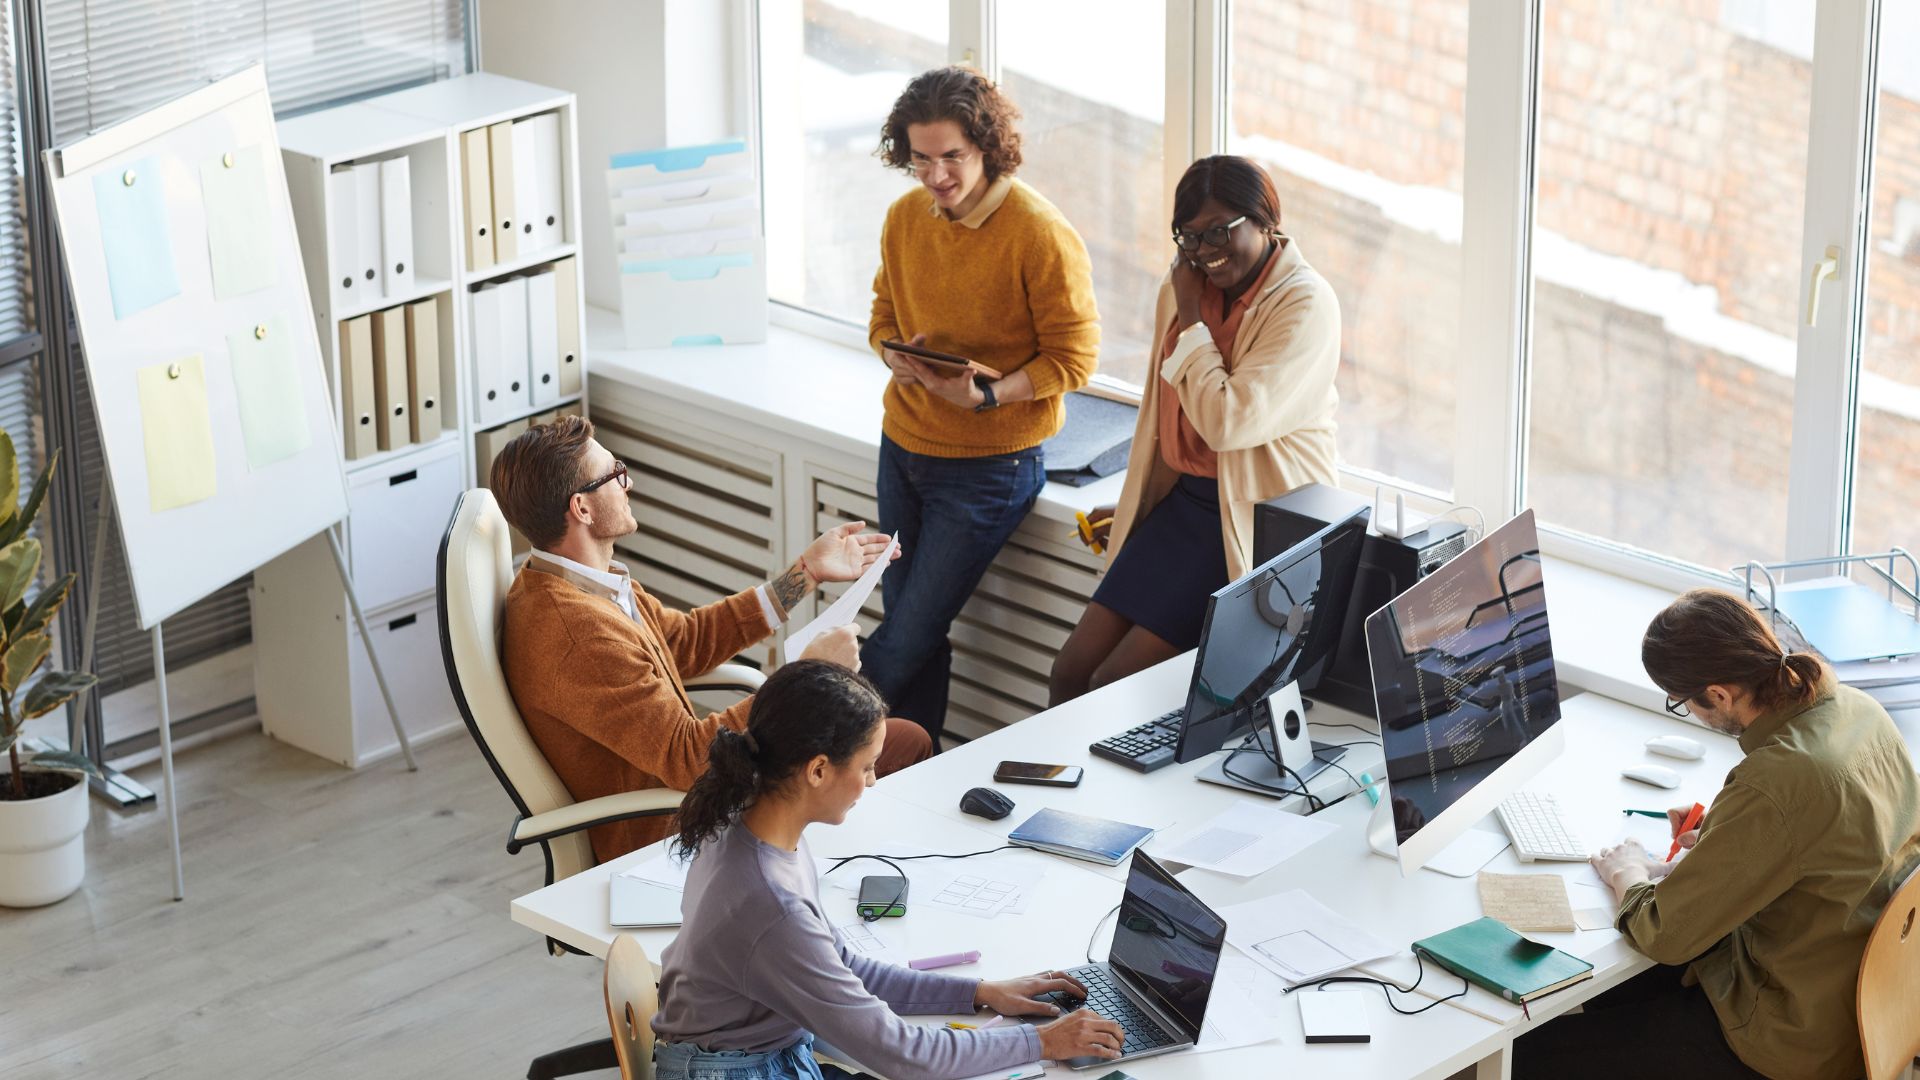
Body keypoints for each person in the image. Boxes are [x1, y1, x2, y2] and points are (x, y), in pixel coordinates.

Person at [1513, 588, 1920, 1080]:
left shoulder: (1778, 782)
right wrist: (1730, 833)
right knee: (1613, 996)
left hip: (1787, 1038)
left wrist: (1630, 872)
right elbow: (1833, 830)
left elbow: (1663, 935)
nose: (1692, 713)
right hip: (1854, 1002)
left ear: (1720, 694)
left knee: (1524, 1057)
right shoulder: (1856, 710)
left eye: (1683, 703)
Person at [650, 660, 1126, 1080]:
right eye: (868, 766)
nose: (873, 781)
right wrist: (1042, 1042)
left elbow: (842, 966)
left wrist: (979, 992)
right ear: (817, 770)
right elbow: (902, 1056)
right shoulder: (771, 903)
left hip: (760, 1052)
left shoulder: (755, 824)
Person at [491, 417, 932, 864]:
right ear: (582, 508)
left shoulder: (585, 583)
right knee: (901, 745)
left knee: (895, 743)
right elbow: (688, 757)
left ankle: (832, 873)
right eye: (614, 473)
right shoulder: (576, 636)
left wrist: (806, 573)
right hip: (672, 825)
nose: (629, 482)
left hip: (693, 785)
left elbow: (684, 641)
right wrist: (805, 677)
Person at [1049, 156, 1340, 706]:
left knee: (1113, 690)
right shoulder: (1185, 282)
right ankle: (1053, 792)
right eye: (1189, 237)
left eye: (1219, 231)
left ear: (1265, 220)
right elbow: (1164, 415)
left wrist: (1189, 310)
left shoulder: (1305, 302)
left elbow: (1230, 422)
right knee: (1070, 672)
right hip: (1187, 506)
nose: (1205, 251)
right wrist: (1138, 498)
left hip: (1254, 519)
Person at [865, 65, 1101, 742]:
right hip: (903, 445)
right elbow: (882, 312)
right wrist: (894, 354)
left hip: (988, 467)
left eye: (953, 158)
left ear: (988, 148)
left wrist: (988, 394)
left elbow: (1074, 359)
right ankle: (902, 773)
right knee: (919, 637)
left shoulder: (1037, 232)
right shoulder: (904, 217)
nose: (936, 177)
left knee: (899, 642)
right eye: (920, 160)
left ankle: (785, 751)